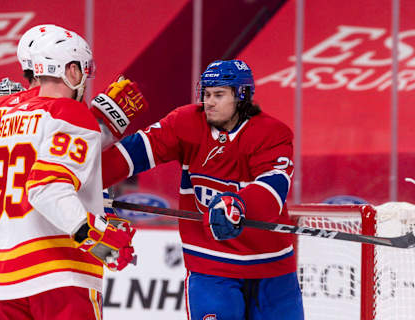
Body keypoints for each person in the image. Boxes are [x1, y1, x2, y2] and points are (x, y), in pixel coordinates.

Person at [101, 59, 304, 319]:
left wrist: (240, 204)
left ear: (242, 97)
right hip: (211, 266)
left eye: (219, 95)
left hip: (272, 269)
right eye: (206, 94)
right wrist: (92, 179)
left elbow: (273, 189)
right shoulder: (186, 122)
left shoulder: (272, 133)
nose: (209, 101)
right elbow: (135, 152)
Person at [0, 28, 136, 320]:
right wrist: (99, 237)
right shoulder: (71, 114)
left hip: (0, 282)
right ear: (72, 70)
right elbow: (47, 188)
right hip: (59, 275)